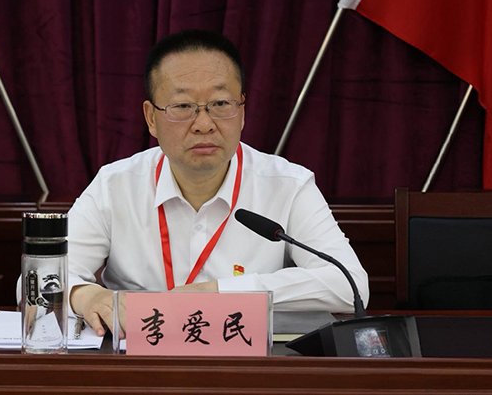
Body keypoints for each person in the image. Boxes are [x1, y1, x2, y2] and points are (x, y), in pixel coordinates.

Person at [67, 29, 369, 337]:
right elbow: (44, 276)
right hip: (140, 359)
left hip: (246, 362)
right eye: (182, 107)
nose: (203, 124)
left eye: (221, 103)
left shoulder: (288, 186)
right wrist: (84, 295)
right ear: (151, 118)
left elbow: (350, 285)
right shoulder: (114, 186)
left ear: (242, 112)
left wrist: (220, 293)